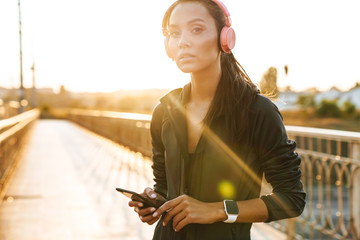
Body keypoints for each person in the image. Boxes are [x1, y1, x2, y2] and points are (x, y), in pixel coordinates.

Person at [128, 0, 306, 239]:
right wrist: (153, 203)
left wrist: (217, 210)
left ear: (225, 38)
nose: (183, 41)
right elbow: (165, 187)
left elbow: (291, 198)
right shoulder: (164, 111)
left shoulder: (257, 112)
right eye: (174, 33)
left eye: (196, 29)